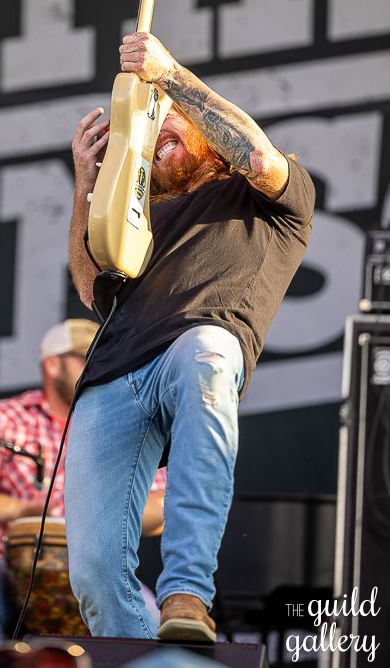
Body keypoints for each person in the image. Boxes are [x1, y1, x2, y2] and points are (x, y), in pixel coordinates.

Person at [66, 31, 316, 643]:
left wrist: (171, 76)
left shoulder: (272, 199)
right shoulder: (140, 218)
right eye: (154, 132)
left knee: (207, 354)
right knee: (94, 576)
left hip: (200, 341)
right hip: (114, 373)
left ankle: (186, 595)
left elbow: (258, 157)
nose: (158, 134)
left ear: (211, 137)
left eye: (174, 124)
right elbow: (89, 285)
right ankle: (151, 658)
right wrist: (85, 185)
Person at [0, 318, 167, 667]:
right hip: (10, 568)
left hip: (101, 570)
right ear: (52, 364)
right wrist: (25, 509)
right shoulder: (8, 417)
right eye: (86, 359)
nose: (98, 368)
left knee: (151, 616)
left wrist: (99, 512)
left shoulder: (124, 422)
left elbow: (161, 506)